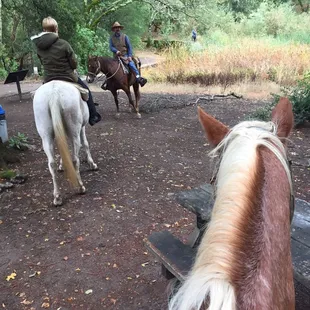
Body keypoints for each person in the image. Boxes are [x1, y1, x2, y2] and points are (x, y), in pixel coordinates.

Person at [31, 16, 101, 126]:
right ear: (56, 29)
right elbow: (74, 64)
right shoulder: (64, 44)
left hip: (49, 78)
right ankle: (93, 116)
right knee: (86, 90)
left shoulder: (39, 47)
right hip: (67, 76)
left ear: (44, 30)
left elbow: (42, 63)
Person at [109, 22, 147, 87]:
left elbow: (129, 47)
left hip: (125, 55)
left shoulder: (125, 37)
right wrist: (116, 51)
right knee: (109, 68)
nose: (117, 29)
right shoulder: (111, 38)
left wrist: (129, 56)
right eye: (115, 28)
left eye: (118, 28)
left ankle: (138, 78)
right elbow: (111, 47)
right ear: (114, 29)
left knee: (131, 65)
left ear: (120, 29)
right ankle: (108, 83)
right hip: (116, 56)